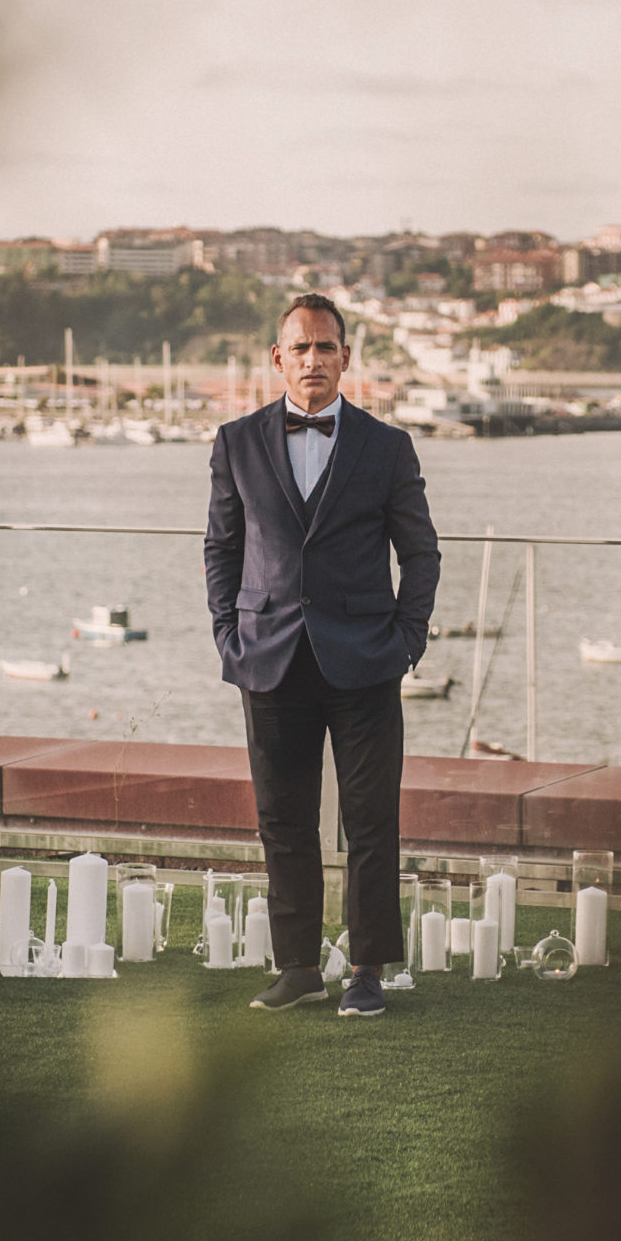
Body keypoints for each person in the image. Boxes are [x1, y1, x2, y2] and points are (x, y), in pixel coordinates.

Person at [204, 293, 440, 1017]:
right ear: (277, 359)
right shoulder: (235, 442)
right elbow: (222, 548)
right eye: (298, 347)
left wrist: (406, 640)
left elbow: (420, 552)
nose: (312, 358)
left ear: (346, 357)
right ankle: (299, 965)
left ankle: (365, 968)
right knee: (284, 818)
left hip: (366, 658)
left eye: (325, 346)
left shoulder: (387, 446)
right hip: (269, 656)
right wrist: (229, 634)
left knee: (371, 820)